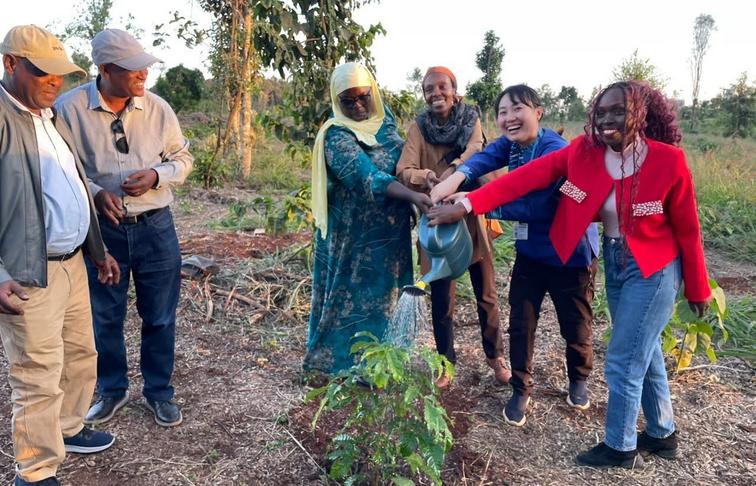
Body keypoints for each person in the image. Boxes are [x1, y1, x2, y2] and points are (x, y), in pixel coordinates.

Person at [428, 80, 711, 469]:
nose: (608, 119)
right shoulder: (585, 152)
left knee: (623, 359)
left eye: (619, 110)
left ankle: (620, 446)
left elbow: (688, 229)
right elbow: (522, 179)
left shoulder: (668, 161)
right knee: (646, 353)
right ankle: (662, 433)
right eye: (602, 111)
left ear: (641, 115)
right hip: (615, 261)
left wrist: (697, 287)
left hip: (655, 267)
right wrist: (468, 203)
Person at [430, 84, 600, 425]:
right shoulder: (510, 146)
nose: (509, 118)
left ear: (538, 112)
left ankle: (578, 379)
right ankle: (521, 388)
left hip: (571, 254)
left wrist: (469, 207)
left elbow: (541, 204)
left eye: (517, 109)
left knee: (576, 324)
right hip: (531, 253)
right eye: (502, 112)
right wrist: (450, 184)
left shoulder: (556, 148)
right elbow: (482, 160)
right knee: (522, 324)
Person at [0, 25, 121, 486]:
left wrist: (97, 251)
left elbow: (71, 188)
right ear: (11, 64)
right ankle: (34, 470)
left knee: (79, 353)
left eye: (61, 75)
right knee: (36, 373)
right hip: (28, 271)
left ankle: (68, 428)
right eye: (43, 72)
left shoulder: (48, 117)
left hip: (71, 262)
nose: (55, 82)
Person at [55, 29, 193, 428]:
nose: (143, 75)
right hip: (103, 233)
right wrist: (96, 192)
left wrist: (156, 174)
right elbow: (63, 170)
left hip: (155, 228)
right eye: (133, 68)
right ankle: (111, 390)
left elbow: (183, 159)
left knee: (161, 316)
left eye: (144, 66)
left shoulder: (158, 108)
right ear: (105, 69)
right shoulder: (69, 110)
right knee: (104, 315)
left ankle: (158, 393)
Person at [304, 62, 432, 375]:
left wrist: (424, 186)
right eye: (348, 101)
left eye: (363, 97)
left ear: (373, 92)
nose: (358, 106)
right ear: (337, 102)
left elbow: (404, 164)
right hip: (352, 236)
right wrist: (414, 197)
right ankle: (334, 364)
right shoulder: (335, 135)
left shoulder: (385, 122)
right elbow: (366, 177)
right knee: (346, 298)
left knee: (386, 297)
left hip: (390, 232)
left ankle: (380, 366)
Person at [396, 66, 509, 387]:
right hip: (435, 221)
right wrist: (428, 178)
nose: (436, 94)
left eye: (442, 87)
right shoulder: (418, 129)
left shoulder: (470, 120)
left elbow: (476, 152)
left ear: (454, 89)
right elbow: (404, 169)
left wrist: (453, 173)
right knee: (442, 298)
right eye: (429, 89)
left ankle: (495, 357)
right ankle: (446, 363)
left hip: (471, 214)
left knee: (485, 293)